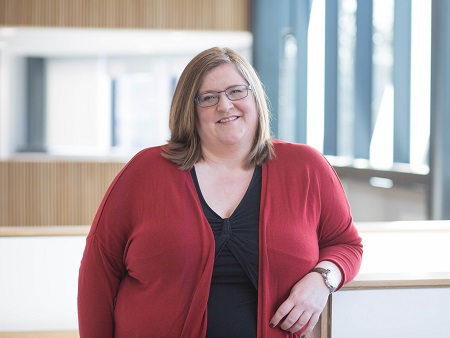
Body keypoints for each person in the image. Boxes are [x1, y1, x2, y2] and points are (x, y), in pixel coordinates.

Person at [78, 46, 363, 338]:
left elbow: (346, 245)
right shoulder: (145, 172)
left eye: (236, 91)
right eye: (208, 98)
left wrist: (322, 279)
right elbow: (98, 274)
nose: (225, 106)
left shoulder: (306, 168)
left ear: (254, 97)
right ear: (189, 110)